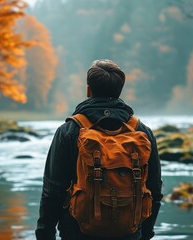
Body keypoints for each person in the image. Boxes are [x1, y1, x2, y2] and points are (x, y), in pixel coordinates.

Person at [36, 59, 162, 240]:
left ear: (89, 90)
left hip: (77, 231)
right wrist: (146, 232)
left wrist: (45, 234)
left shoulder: (70, 131)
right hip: (129, 231)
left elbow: (52, 191)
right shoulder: (141, 132)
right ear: (120, 90)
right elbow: (154, 189)